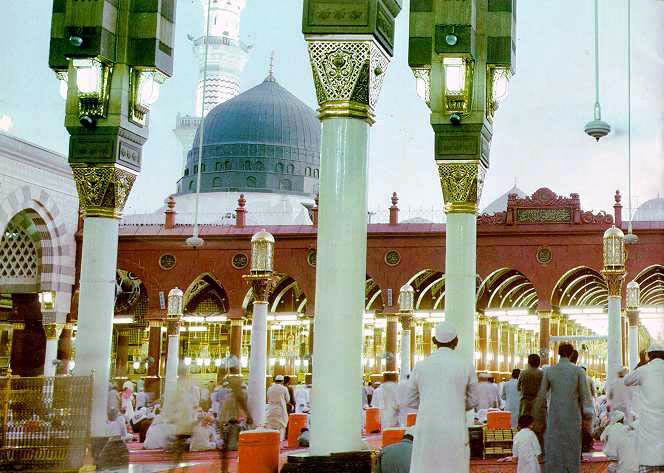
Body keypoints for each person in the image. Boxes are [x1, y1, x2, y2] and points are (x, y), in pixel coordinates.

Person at [405, 321, 479, 473]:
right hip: (454, 426)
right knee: (453, 465)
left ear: (434, 341)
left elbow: (410, 399)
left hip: (428, 427)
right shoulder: (465, 365)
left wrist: (430, 404)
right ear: (456, 341)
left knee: (427, 466)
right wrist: (455, 404)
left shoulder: (421, 366)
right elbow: (474, 400)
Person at [534, 343, 594, 473]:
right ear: (571, 354)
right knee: (572, 449)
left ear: (558, 353)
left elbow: (541, 396)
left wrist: (537, 417)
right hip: (573, 416)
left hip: (555, 417)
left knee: (554, 449)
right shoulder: (578, 371)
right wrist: (588, 417)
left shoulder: (550, 371)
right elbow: (585, 396)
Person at [624, 341, 664, 472]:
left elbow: (627, 381)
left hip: (648, 423)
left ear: (649, 356)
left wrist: (641, 364)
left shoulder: (643, 370)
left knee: (649, 455)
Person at [518, 354, 545, 449]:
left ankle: (524, 448)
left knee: (524, 427)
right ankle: (540, 451)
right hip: (538, 403)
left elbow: (518, 387)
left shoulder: (523, 373)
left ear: (528, 362)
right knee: (539, 429)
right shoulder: (542, 374)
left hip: (525, 402)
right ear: (539, 363)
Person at [265, 375, 290, 440]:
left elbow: (267, 398)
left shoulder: (270, 388)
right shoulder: (284, 388)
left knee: (271, 426)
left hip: (270, 409)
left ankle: (271, 442)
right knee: (281, 427)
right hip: (280, 409)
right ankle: (279, 442)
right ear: (282, 381)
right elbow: (287, 400)